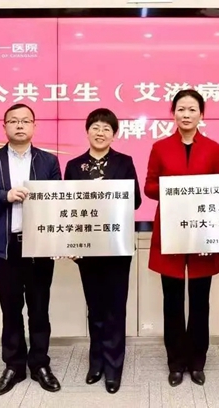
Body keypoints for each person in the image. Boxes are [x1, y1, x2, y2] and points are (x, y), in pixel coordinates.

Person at [0, 103, 63, 397]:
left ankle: (40, 364)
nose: (19, 125)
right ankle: (14, 366)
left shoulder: (48, 161)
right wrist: (4, 195)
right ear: (5, 126)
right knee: (10, 310)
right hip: (5, 247)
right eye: (13, 121)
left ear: (34, 126)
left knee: (39, 309)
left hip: (39, 247)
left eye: (25, 121)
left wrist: (59, 242)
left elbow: (58, 202)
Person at [144, 89, 219, 387]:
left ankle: (197, 361)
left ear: (201, 114)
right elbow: (149, 187)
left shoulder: (214, 149)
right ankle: (176, 362)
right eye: (181, 109)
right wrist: (176, 189)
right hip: (171, 231)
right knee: (173, 301)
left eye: (192, 109)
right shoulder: (160, 147)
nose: (186, 114)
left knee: (201, 301)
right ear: (173, 113)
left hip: (204, 230)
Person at [63, 108, 142, 394]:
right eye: (95, 127)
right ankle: (95, 362)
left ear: (114, 134)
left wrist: (106, 192)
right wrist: (70, 244)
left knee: (115, 308)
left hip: (117, 245)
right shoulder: (74, 165)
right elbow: (67, 207)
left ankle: (113, 366)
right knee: (95, 307)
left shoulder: (124, 162)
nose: (100, 132)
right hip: (87, 247)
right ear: (87, 131)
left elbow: (135, 200)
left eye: (106, 128)